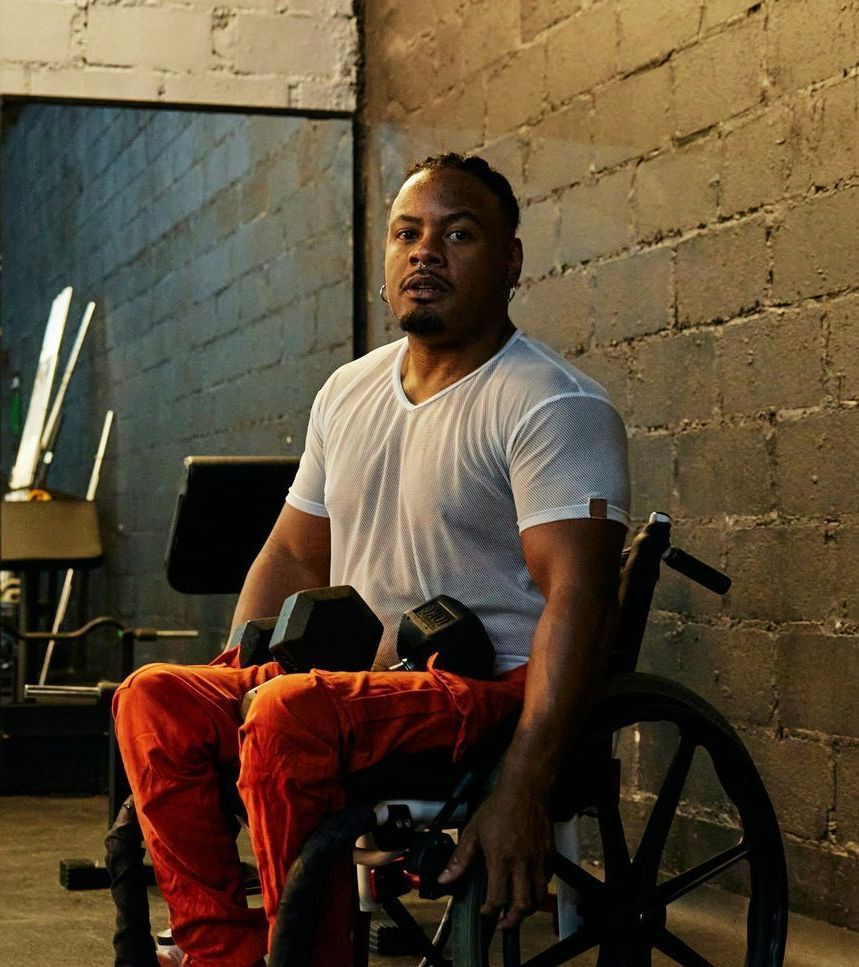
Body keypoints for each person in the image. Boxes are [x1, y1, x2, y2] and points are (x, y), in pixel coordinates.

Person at [113, 152, 630, 967]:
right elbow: (292, 553)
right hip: (355, 684)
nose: (424, 252)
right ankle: (225, 953)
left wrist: (524, 782)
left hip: (484, 692)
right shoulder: (347, 391)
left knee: (285, 713)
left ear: (510, 262)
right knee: (155, 698)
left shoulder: (552, 403)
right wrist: (231, 681)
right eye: (406, 233)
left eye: (457, 234)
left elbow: (581, 597)